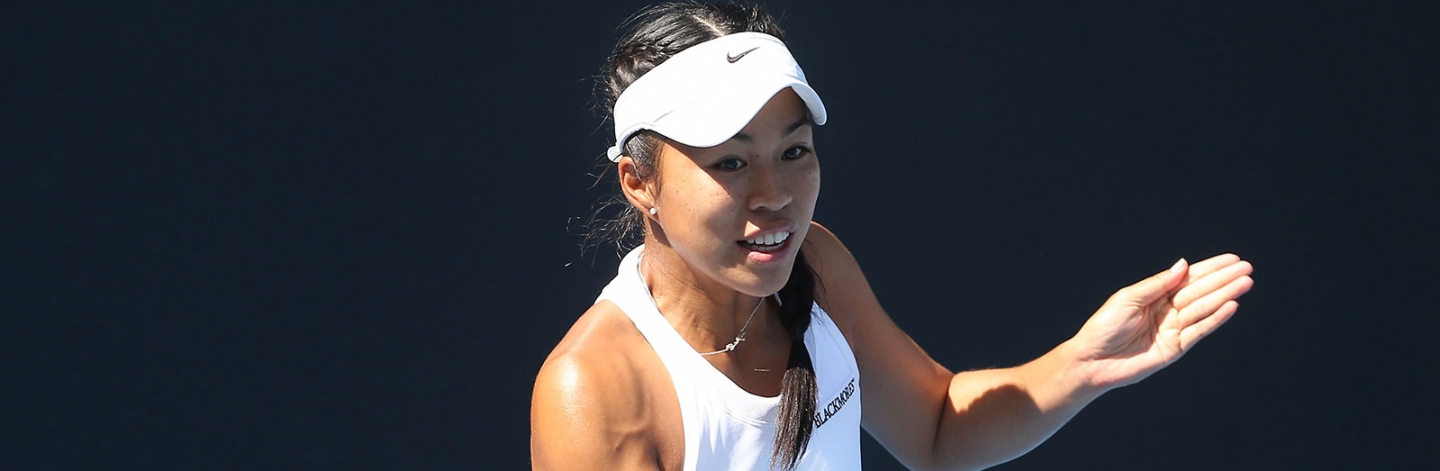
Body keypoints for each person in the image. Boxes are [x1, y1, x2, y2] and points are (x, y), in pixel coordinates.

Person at [530, 2, 1255, 470]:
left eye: (794, 150)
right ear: (639, 182)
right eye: (731, 162)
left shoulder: (816, 264)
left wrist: (1081, 366)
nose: (775, 195)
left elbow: (936, 428)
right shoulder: (592, 392)